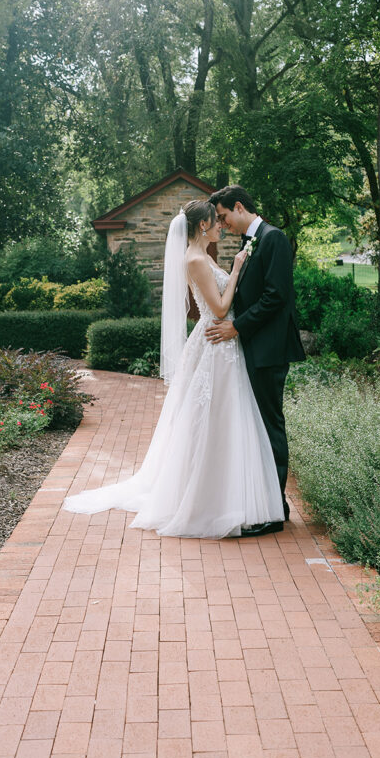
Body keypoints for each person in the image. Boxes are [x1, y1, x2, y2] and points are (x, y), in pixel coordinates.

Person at [62, 199, 285, 539]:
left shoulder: (202, 256)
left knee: (228, 421)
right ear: (202, 226)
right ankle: (209, 498)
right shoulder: (196, 260)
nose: (220, 226)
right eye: (216, 221)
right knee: (214, 422)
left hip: (223, 346)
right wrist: (237, 269)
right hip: (216, 343)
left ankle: (238, 494)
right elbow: (221, 309)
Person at [206, 185, 305, 536]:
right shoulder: (252, 240)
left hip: (269, 349)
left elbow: (276, 296)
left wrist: (237, 327)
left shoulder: (273, 238)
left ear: (238, 206)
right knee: (260, 426)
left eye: (223, 216)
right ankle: (269, 503)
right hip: (256, 347)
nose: (223, 223)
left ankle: (274, 511)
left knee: (269, 426)